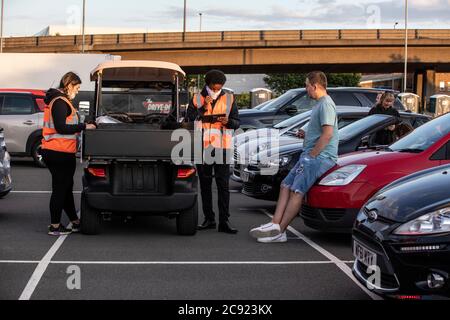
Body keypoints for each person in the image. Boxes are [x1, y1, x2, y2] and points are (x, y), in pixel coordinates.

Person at [249, 71, 338, 243]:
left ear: (315, 85)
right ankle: (275, 223)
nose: (306, 90)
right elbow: (321, 131)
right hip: (310, 155)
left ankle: (279, 232)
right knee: (285, 185)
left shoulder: (326, 104)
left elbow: (327, 134)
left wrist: (312, 155)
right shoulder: (320, 104)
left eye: (307, 86)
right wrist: (305, 134)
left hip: (319, 157)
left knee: (297, 191)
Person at [185, 70, 240, 234]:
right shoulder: (196, 98)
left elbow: (237, 122)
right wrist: (202, 107)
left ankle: (224, 221)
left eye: (219, 88)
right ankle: (209, 219)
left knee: (223, 185)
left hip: (222, 147)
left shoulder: (229, 98)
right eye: (214, 88)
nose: (216, 90)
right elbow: (189, 119)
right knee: (205, 185)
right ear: (207, 85)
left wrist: (229, 121)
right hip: (203, 147)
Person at [41, 72, 96, 236]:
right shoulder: (60, 102)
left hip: (59, 151)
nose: (77, 91)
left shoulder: (60, 101)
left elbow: (66, 125)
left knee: (65, 188)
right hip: (58, 152)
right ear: (69, 85)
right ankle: (55, 226)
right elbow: (61, 128)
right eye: (77, 87)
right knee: (60, 189)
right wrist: (84, 127)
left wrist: (83, 124)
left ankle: (74, 221)